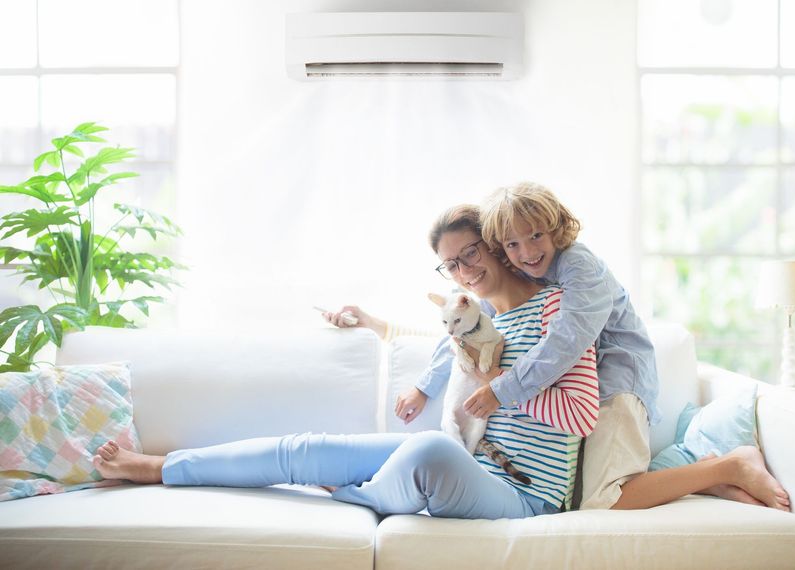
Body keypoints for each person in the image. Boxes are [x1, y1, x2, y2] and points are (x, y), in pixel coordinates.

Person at [92, 205, 599, 520]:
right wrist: (374, 325)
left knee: (427, 451)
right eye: (452, 264)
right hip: (471, 465)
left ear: (496, 245)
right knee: (312, 446)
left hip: (526, 495)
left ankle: (360, 496)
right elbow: (440, 342)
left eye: (473, 253)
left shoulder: (559, 308)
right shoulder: (479, 316)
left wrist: (499, 383)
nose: (465, 271)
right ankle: (164, 468)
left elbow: (582, 415)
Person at [334, 184, 790, 512]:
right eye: (511, 244)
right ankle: (710, 478)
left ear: (557, 229)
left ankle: (727, 467)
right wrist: (420, 384)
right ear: (499, 247)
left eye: (536, 237)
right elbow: (463, 333)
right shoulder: (523, 275)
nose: (527, 251)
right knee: (578, 496)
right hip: (577, 392)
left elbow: (565, 344)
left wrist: (501, 389)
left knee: (605, 500)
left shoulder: (578, 268)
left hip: (616, 383)